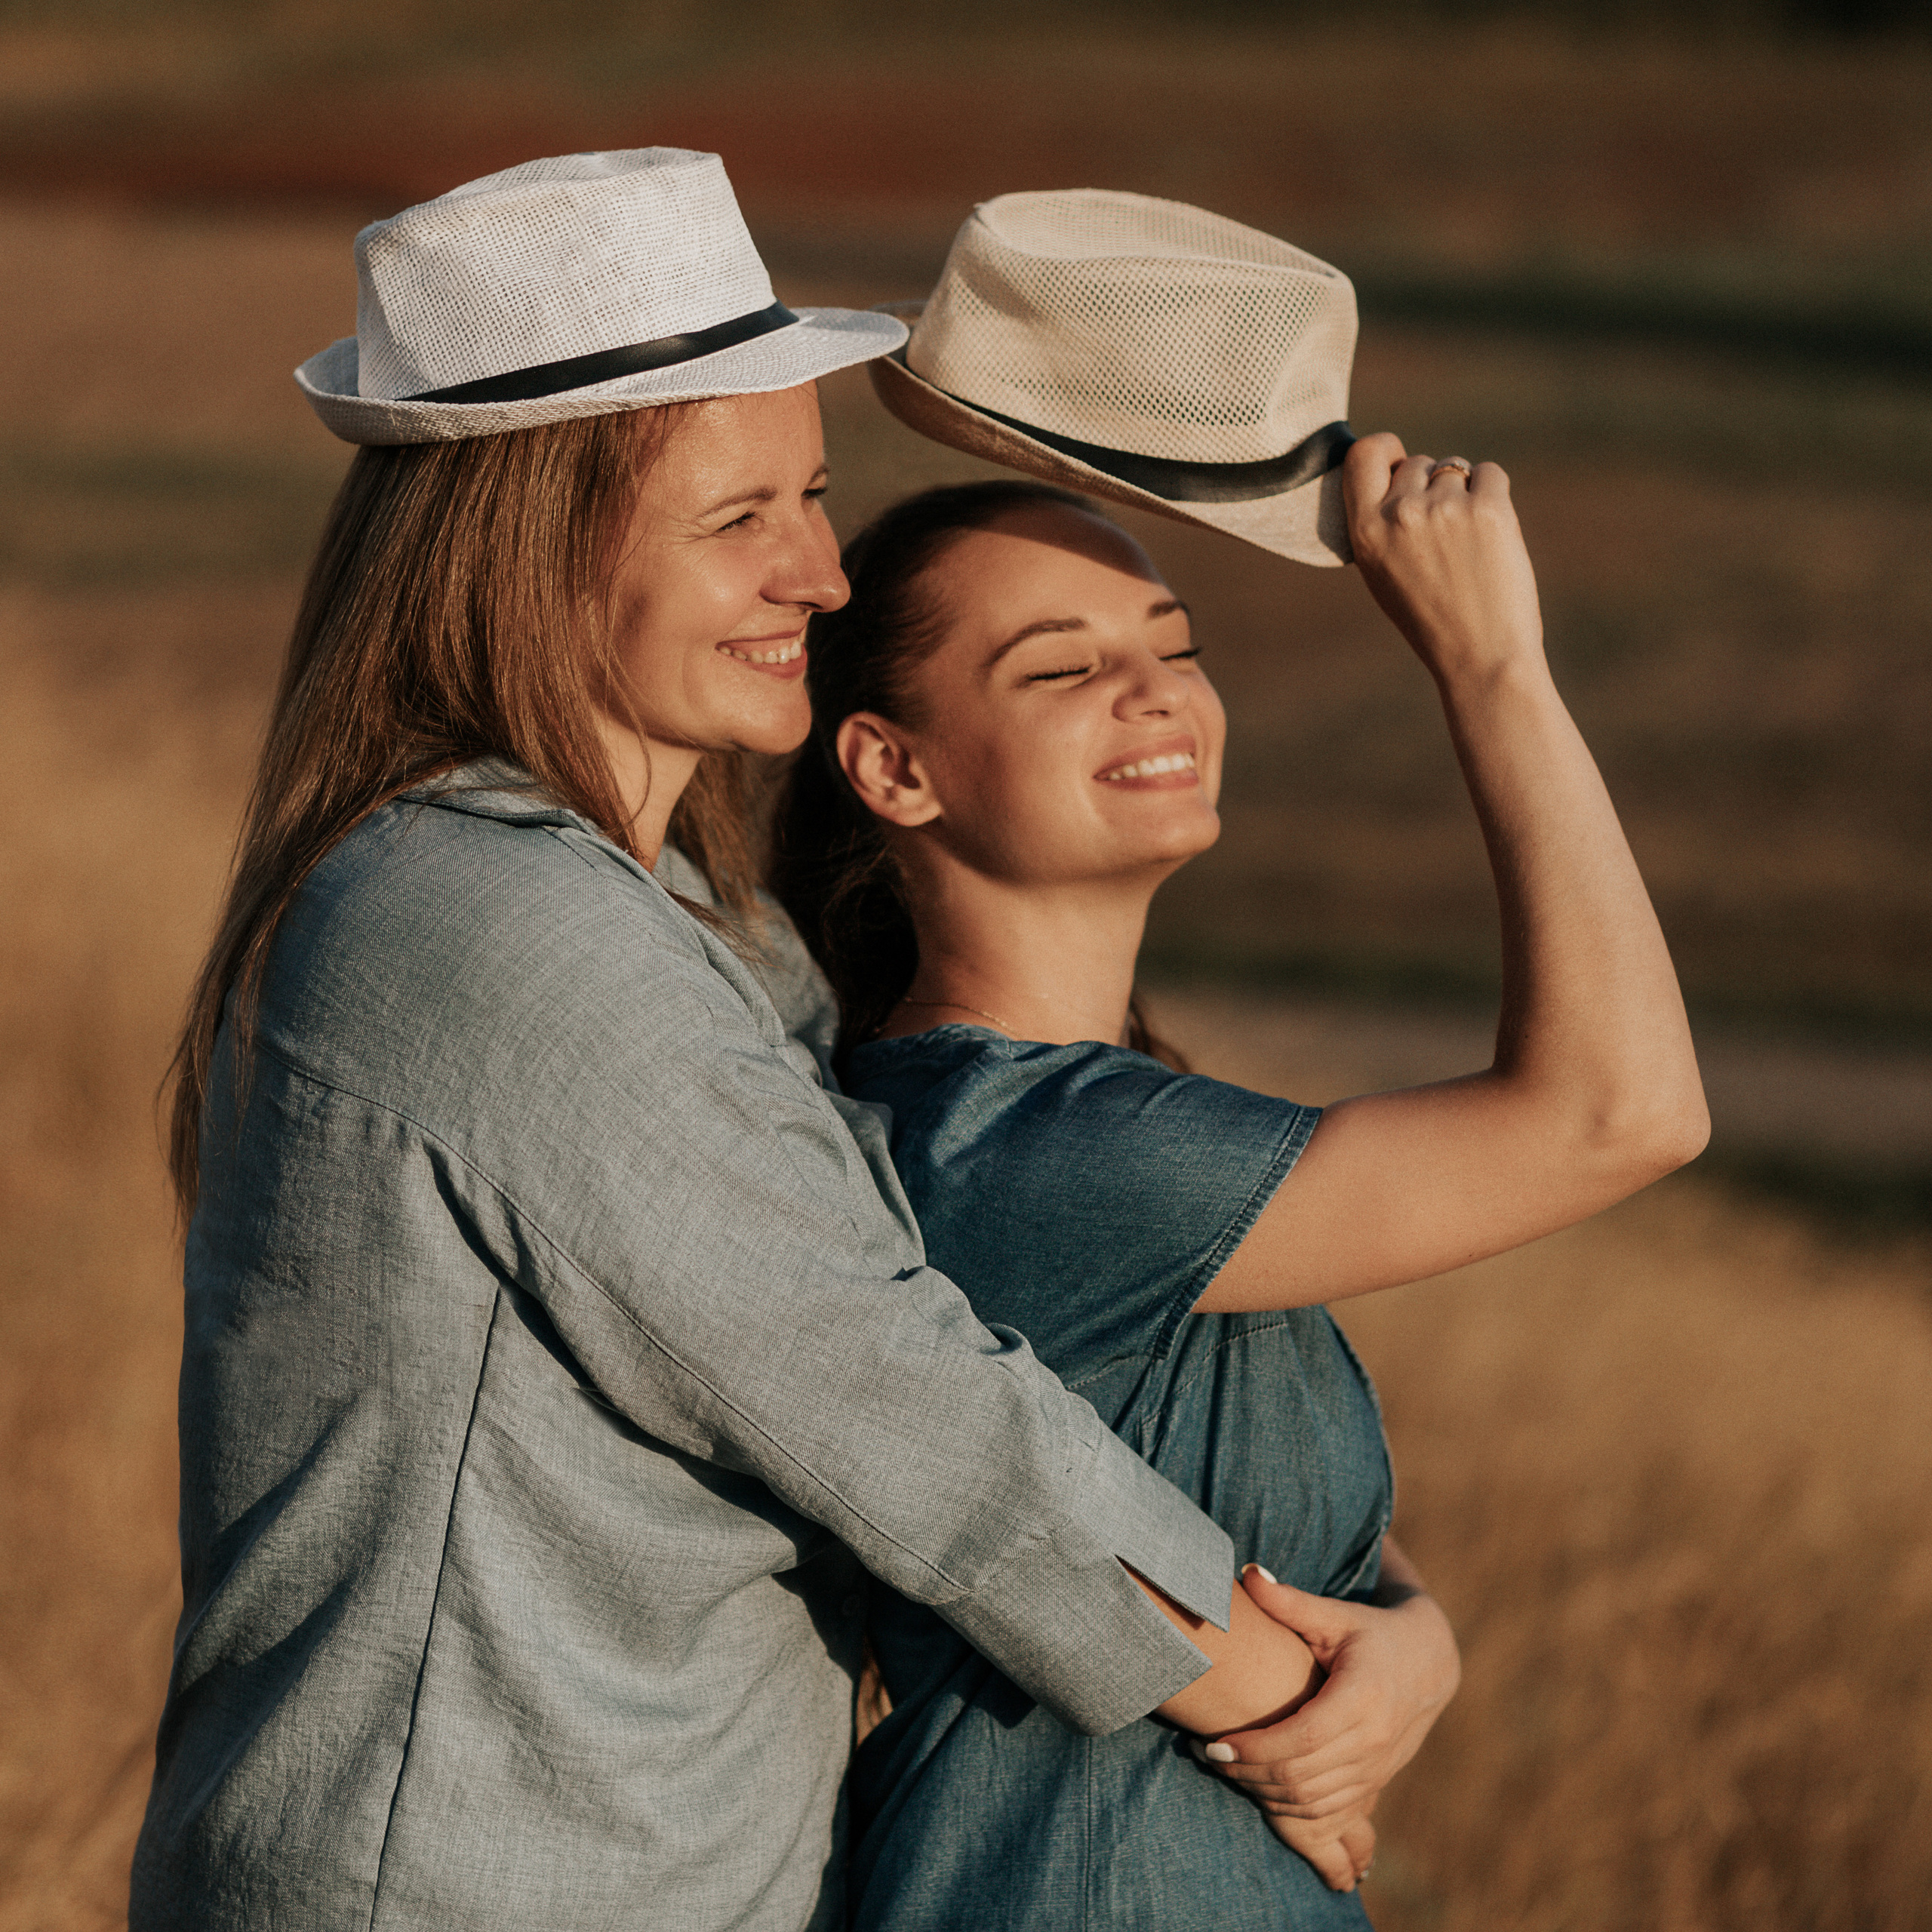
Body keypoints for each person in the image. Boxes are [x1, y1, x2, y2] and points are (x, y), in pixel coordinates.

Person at [131, 152, 1391, 1930]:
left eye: (809, 495)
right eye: (740, 518)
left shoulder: (688, 928)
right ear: (530, 541)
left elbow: (994, 1325)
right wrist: (1288, 1711)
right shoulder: (491, 928)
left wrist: (1397, 1637)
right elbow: (911, 1413)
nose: (816, 568)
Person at [771, 193, 1709, 1927]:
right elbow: (1621, 1112)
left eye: (1174, 653)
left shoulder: (1089, 1127)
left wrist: (1410, 1640)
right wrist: (1491, 663)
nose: (1153, 697)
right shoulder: (1035, 1145)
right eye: (1062, 668)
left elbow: (1231, 1508)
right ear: (893, 771)